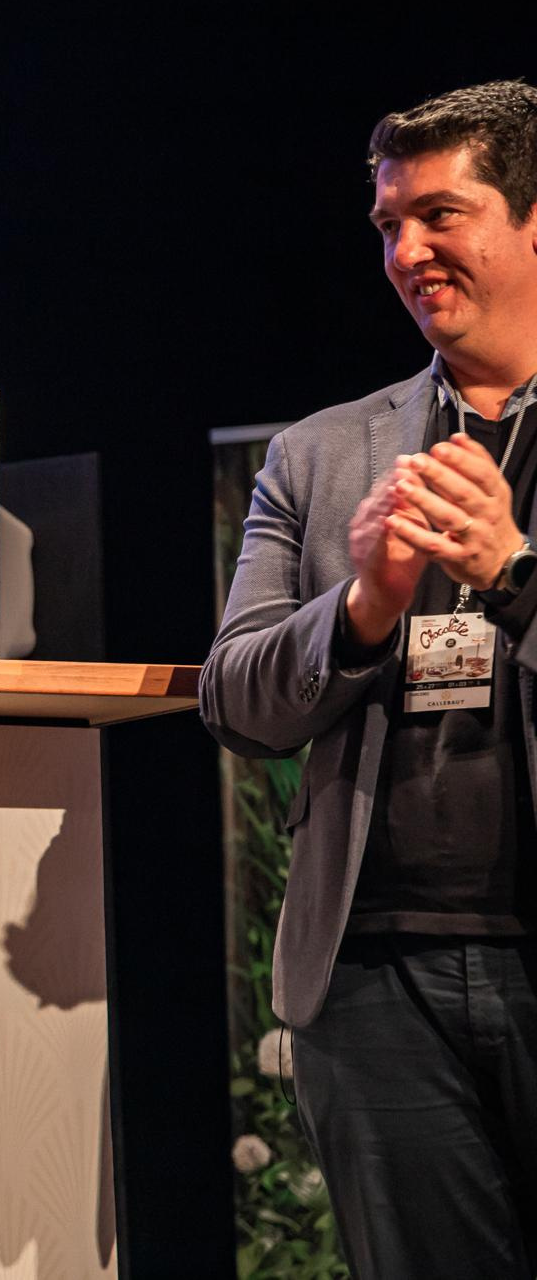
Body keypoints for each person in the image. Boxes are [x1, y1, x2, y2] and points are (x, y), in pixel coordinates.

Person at [202, 80, 537, 1275]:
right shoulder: (322, 452)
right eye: (387, 223)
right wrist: (359, 608)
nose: (405, 252)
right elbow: (234, 699)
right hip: (371, 981)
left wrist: (511, 572)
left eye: (439, 215)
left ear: (531, 218)